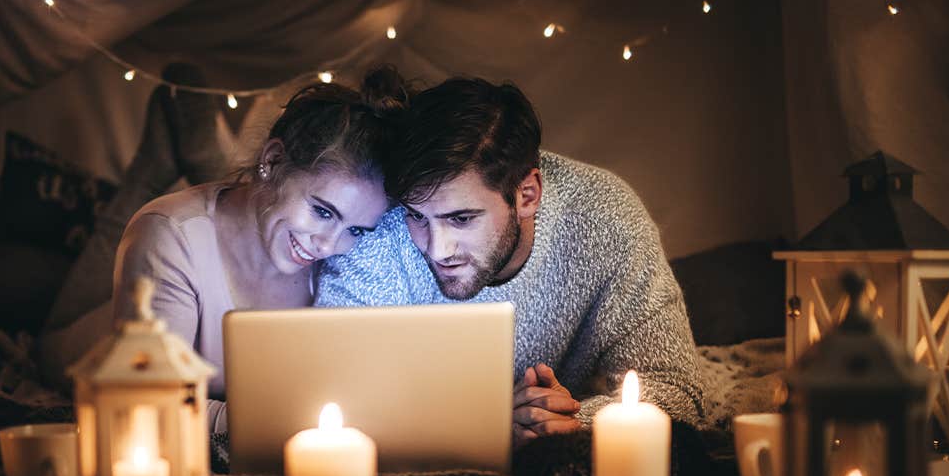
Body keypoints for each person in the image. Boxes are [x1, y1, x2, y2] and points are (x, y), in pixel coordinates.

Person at [315, 77, 704, 445]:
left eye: (461, 218)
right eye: (418, 217)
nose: (436, 248)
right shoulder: (379, 220)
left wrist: (568, 422)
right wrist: (493, 424)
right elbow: (333, 387)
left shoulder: (606, 220)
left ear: (527, 195)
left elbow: (680, 393)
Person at [114, 66, 410, 433]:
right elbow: (146, 401)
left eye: (355, 230)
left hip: (248, 201)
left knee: (249, 195)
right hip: (82, 331)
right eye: (322, 211)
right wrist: (271, 424)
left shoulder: (349, 262)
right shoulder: (168, 236)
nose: (328, 245)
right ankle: (180, 99)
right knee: (131, 202)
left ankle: (179, 125)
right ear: (271, 160)